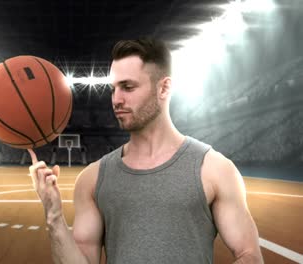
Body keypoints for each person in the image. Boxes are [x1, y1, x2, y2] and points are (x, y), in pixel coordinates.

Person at [28, 37, 263, 264]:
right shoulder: (92, 179)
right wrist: (54, 217)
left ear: (164, 88)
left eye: (128, 87)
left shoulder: (214, 170)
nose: (116, 99)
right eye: (113, 89)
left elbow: (249, 255)